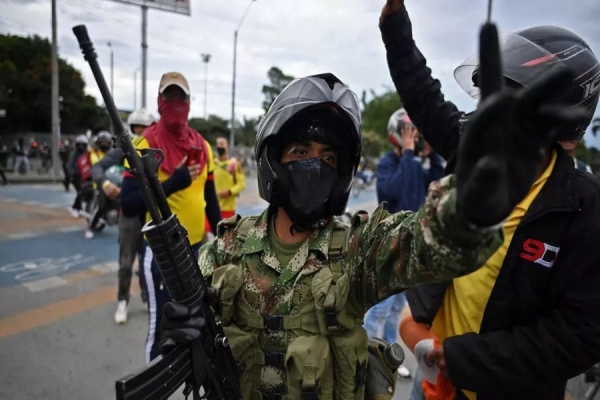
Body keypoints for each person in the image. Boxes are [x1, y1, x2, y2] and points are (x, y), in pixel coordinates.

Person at [157, 72, 559, 399]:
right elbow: (188, 320)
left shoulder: (357, 247)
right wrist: (182, 330)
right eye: (300, 150)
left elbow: (428, 242)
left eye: (328, 157)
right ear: (273, 158)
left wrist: (470, 204)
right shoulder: (226, 247)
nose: (315, 165)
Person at [379, 1, 600, 399]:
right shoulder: (474, 150)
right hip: (432, 379)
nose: (488, 112)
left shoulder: (582, 205)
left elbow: (579, 333)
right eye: (487, 98)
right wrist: (396, 29)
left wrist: (461, 358)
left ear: (559, 120)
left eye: (510, 101)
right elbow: (424, 97)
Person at [120, 71, 222, 362]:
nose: (176, 102)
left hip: (198, 251)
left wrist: (226, 238)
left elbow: (211, 202)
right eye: (169, 96)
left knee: (199, 328)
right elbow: (129, 203)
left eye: (181, 96)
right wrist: (172, 183)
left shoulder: (202, 147)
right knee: (162, 332)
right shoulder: (143, 144)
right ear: (159, 101)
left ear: (190, 103)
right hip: (161, 253)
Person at [363, 107, 445, 379]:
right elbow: (393, 190)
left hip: (413, 251)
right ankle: (362, 358)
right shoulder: (389, 162)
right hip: (390, 249)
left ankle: (387, 357)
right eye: (409, 133)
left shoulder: (415, 164)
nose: (414, 137)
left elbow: (438, 181)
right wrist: (409, 154)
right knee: (379, 309)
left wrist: (430, 153)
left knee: (398, 308)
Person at [91, 108, 155, 324]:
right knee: (126, 263)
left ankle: (148, 298)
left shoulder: (156, 148)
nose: (141, 133)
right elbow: (98, 167)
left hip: (150, 214)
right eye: (137, 128)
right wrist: (105, 183)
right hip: (128, 214)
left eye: (145, 128)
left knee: (148, 263)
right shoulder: (123, 150)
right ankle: (123, 301)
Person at [84, 130, 113, 239]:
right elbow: (97, 166)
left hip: (112, 182)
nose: (104, 145)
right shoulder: (94, 153)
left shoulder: (111, 154)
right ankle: (89, 228)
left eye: (106, 143)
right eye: (102, 143)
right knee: (100, 207)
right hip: (100, 184)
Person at [68, 134, 91, 218]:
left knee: (85, 191)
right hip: (76, 175)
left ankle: (80, 208)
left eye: (83, 145)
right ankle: (75, 207)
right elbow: (70, 165)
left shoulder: (88, 153)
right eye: (79, 144)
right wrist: (72, 175)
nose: (81, 146)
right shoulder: (74, 154)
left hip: (85, 175)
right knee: (80, 191)